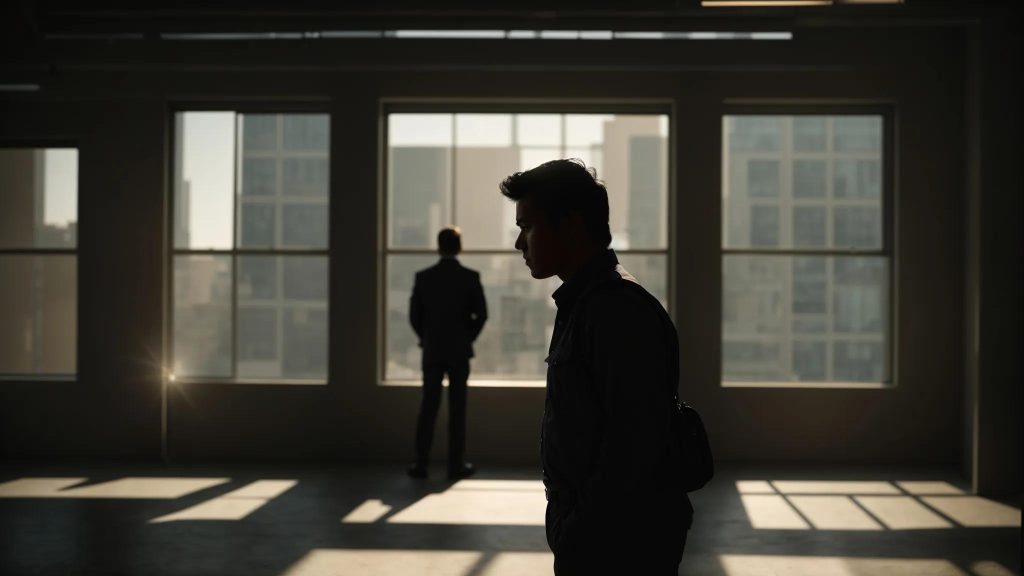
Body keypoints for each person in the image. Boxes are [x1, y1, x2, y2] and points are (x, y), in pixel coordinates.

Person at [501, 159, 693, 575]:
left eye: (527, 226)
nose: (520, 243)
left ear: (569, 225)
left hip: (616, 541)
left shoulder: (613, 310)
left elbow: (632, 443)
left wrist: (579, 530)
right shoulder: (590, 304)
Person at [407, 226, 488, 480]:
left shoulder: (424, 277)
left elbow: (414, 316)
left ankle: (421, 463)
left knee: (428, 406)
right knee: (457, 408)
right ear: (459, 247)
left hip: (432, 350)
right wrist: (467, 337)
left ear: (439, 246)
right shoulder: (470, 277)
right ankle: (455, 465)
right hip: (459, 351)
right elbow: (481, 314)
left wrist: (426, 337)